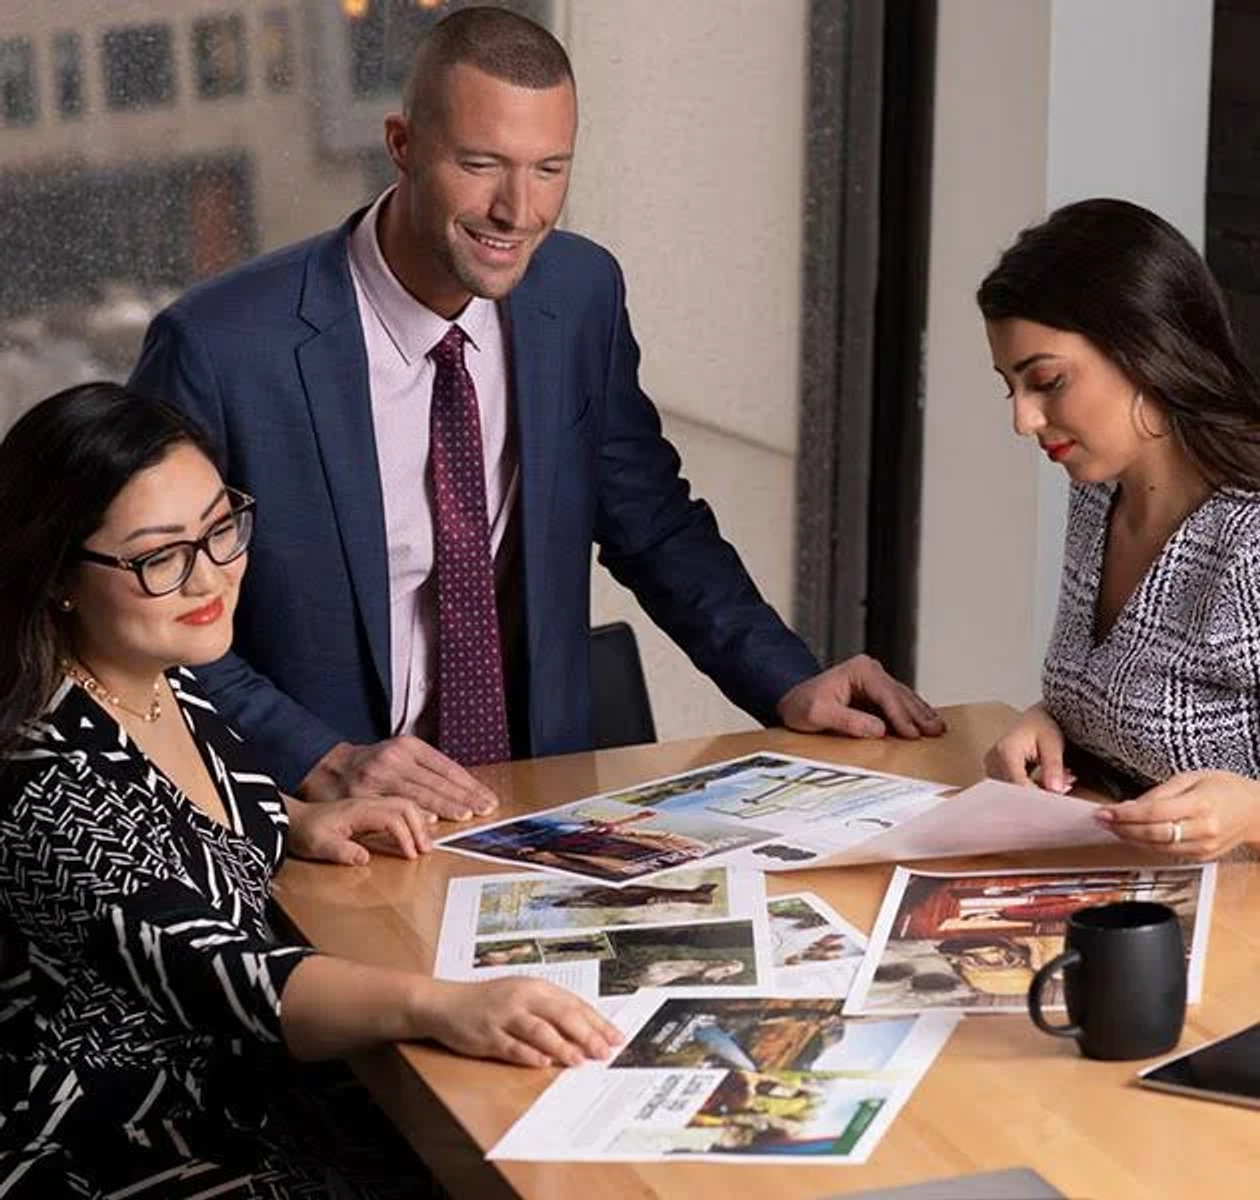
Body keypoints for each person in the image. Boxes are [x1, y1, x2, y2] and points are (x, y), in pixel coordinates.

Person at [127, 6, 943, 824]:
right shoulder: (222, 348)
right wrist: (320, 761)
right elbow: (132, 616)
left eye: (550, 169)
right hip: (320, 824)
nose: (518, 211)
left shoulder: (580, 295)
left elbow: (653, 525)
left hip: (538, 811)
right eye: (481, 164)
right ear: (402, 144)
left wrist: (789, 679)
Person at [0, 383, 620, 1197]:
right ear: (57, 574)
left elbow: (174, 816)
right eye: (160, 557)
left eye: (220, 529)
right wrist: (443, 1006)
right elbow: (226, 972)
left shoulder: (154, 678)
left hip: (250, 1086)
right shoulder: (48, 778)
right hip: (121, 1139)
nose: (209, 577)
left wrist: (294, 819)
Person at [979, 197, 1260, 861]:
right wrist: (1050, 727)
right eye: (1011, 388)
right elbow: (1127, 694)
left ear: (1145, 349)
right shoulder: (1100, 491)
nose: (1023, 420)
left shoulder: (1249, 540)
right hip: (1127, 881)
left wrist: (1254, 813)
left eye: (1047, 381)